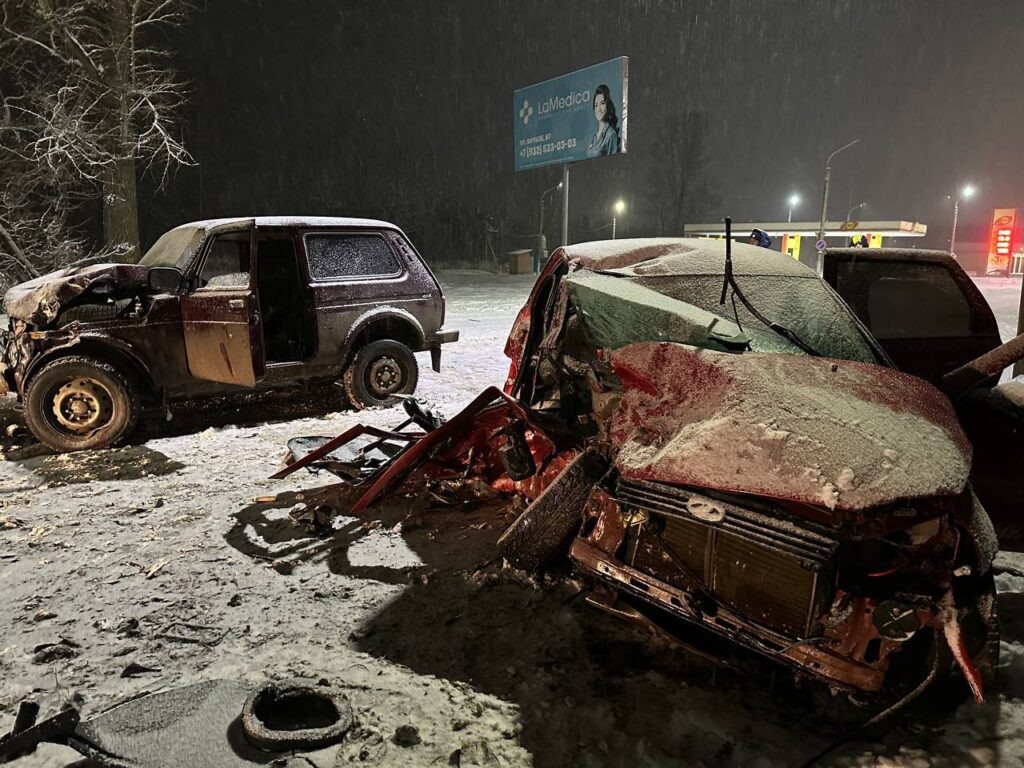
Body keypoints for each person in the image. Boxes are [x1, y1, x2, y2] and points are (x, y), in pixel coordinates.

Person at [586, 84, 620, 157]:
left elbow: (614, 163)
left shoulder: (611, 135)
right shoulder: (592, 137)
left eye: (602, 103)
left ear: (607, 105)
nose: (599, 109)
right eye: (596, 105)